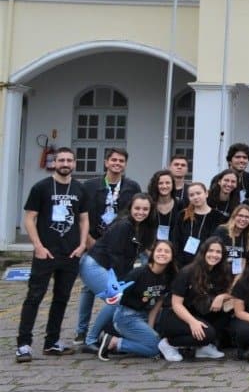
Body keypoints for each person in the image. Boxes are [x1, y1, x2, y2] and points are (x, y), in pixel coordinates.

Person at [16, 148, 88, 362]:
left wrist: (83, 244)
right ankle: (23, 344)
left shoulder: (79, 189)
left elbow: (83, 219)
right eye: (61, 160)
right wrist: (37, 246)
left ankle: (52, 342)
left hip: (70, 253)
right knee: (34, 297)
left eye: (69, 160)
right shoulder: (41, 187)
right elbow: (30, 218)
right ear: (54, 163)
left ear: (74, 163)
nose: (65, 163)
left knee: (61, 298)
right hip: (45, 252)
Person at [77, 146, 142, 345]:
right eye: (113, 160)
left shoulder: (132, 187)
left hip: (119, 244)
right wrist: (88, 240)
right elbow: (81, 215)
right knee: (88, 288)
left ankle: (111, 327)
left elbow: (135, 215)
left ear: (125, 164)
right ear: (106, 162)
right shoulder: (89, 185)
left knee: (116, 288)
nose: (117, 164)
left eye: (121, 161)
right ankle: (82, 331)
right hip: (94, 242)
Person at [80, 193, 156, 350]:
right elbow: (116, 256)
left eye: (145, 209)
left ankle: (111, 332)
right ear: (130, 208)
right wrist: (123, 283)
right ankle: (90, 340)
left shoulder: (141, 227)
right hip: (95, 265)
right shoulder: (124, 225)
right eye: (137, 208)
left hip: (110, 268)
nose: (141, 212)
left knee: (121, 298)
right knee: (117, 299)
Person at [97, 239, 177, 361]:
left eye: (167, 251)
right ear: (152, 253)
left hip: (144, 315)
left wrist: (150, 328)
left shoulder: (168, 276)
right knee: (155, 348)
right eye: (159, 250)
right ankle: (113, 342)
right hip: (127, 316)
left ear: (171, 257)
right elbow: (118, 296)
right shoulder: (139, 273)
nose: (162, 253)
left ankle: (132, 339)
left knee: (160, 338)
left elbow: (157, 304)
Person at [154, 237, 233, 360]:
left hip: (197, 311)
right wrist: (193, 322)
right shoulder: (187, 272)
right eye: (210, 251)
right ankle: (168, 343)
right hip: (174, 315)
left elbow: (232, 293)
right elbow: (176, 304)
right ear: (203, 252)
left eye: (218, 252)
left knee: (226, 311)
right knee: (208, 334)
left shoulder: (221, 271)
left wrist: (222, 296)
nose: (214, 255)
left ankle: (203, 347)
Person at [148, 169, 182, 245]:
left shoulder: (180, 204)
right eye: (160, 183)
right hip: (150, 251)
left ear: (172, 185)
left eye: (168, 183)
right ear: (155, 185)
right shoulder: (149, 205)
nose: (164, 186)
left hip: (173, 251)